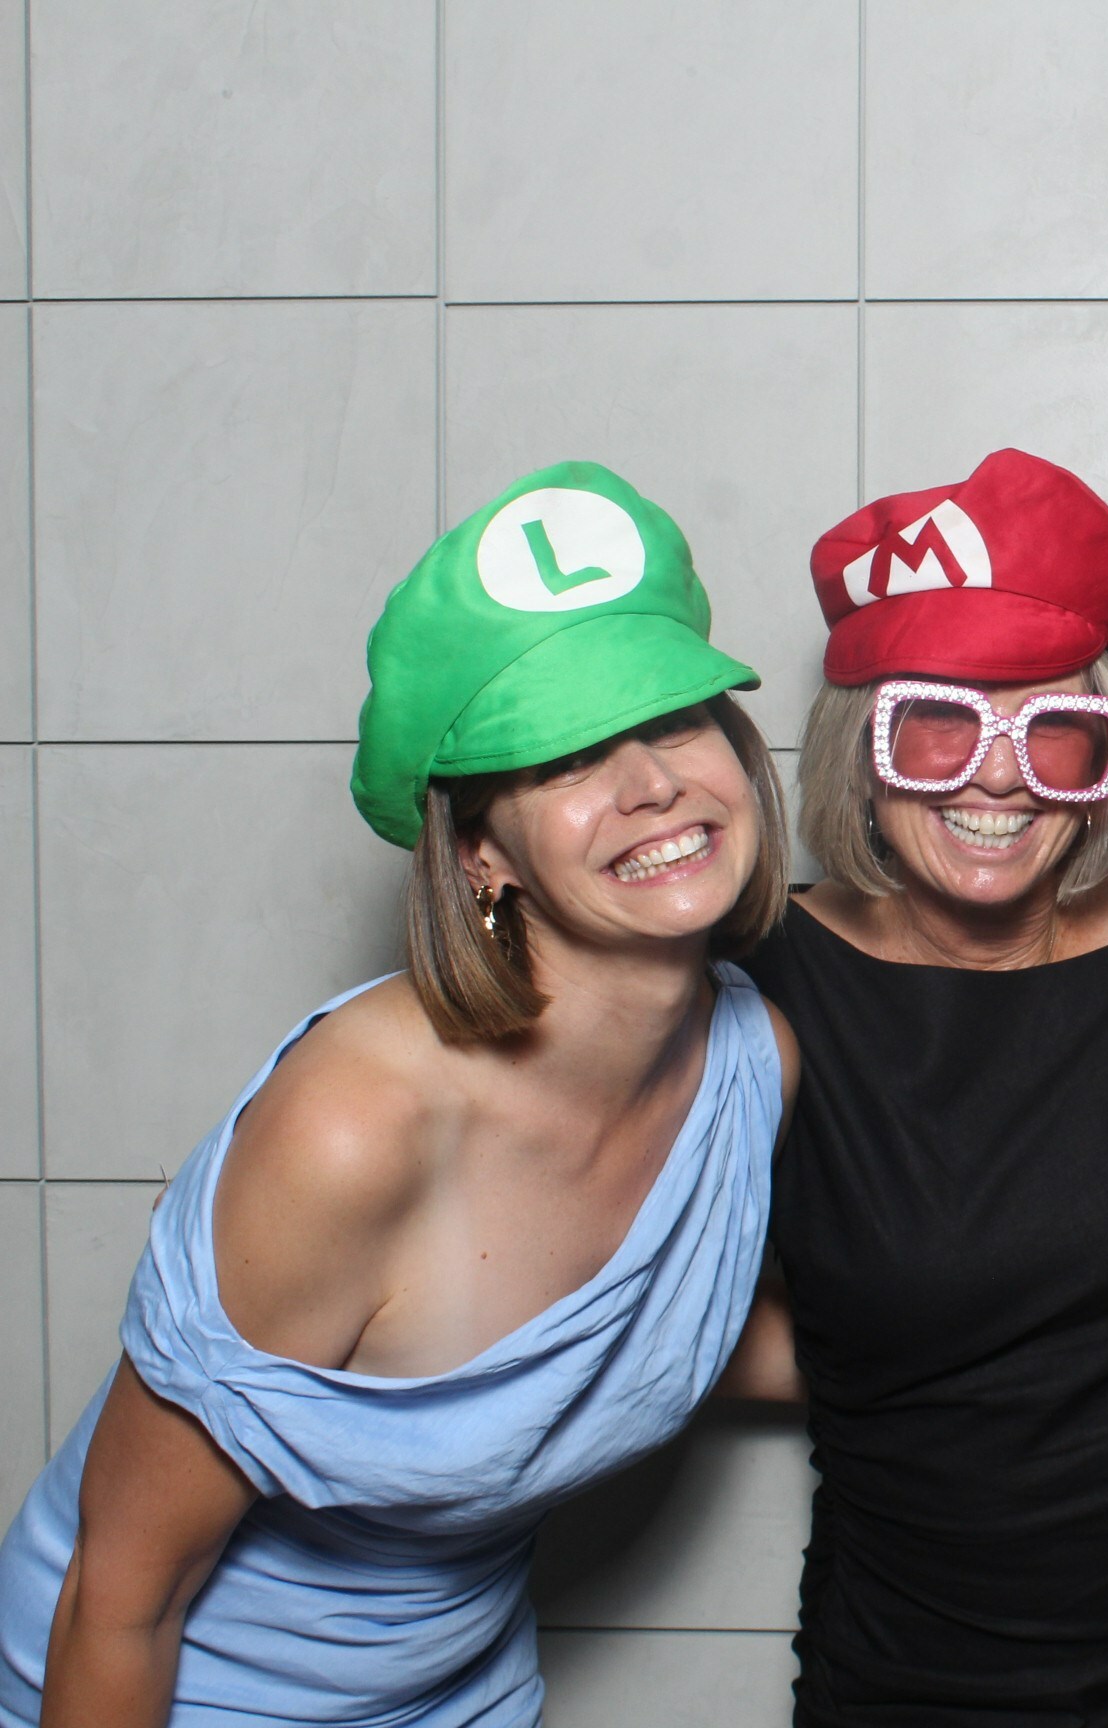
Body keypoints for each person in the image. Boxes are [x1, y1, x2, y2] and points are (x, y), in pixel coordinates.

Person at [0, 462, 799, 1727]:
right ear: (481, 854)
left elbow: (624, 1343)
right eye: (567, 757)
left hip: (460, 1686)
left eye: (675, 720)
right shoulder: (352, 1133)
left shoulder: (752, 1062)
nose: (651, 783)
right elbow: (121, 1601)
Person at [727, 448, 1108, 1724]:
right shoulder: (761, 987)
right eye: (938, 723)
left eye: (1055, 730)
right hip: (920, 1670)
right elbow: (636, 1312)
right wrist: (908, 1348)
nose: (997, 776)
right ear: (860, 748)